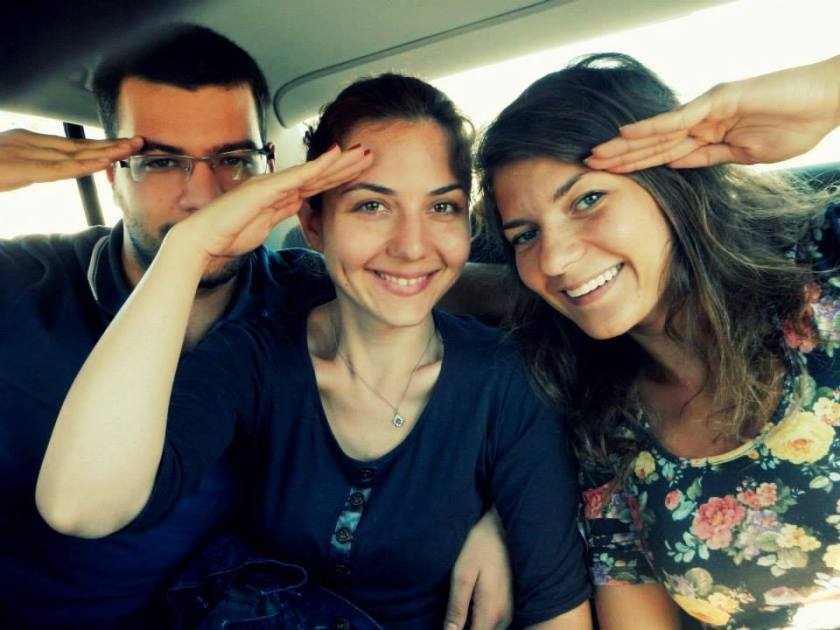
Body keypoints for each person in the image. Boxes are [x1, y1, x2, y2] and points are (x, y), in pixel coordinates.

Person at [36, 73, 593, 628]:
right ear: (312, 222)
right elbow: (79, 507)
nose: (412, 246)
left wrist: (508, 516)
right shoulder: (254, 360)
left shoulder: (506, 378)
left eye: (442, 208)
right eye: (372, 206)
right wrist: (188, 249)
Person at [475, 53, 840, 629]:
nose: (555, 259)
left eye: (587, 200)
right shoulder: (606, 427)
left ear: (670, 184)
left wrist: (825, 91)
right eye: (525, 235)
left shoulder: (825, 266)